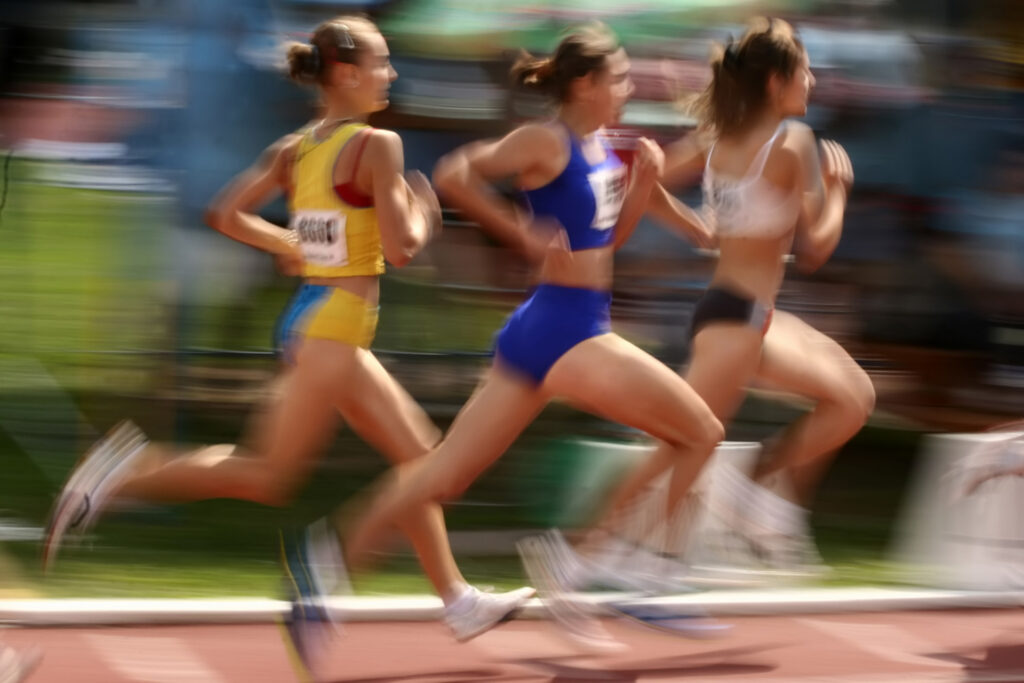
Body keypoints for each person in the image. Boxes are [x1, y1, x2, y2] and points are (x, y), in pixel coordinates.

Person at [41, 14, 533, 674]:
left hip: (322, 321)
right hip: (332, 329)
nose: (391, 73)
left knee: (420, 457)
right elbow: (401, 248)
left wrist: (290, 243)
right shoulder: (376, 146)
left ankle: (457, 598)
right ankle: (121, 473)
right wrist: (425, 216)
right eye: (382, 63)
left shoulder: (296, 148)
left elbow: (225, 213)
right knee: (269, 474)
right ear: (347, 74)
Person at [330, 23, 725, 651]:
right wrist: (518, 231)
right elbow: (457, 172)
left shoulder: (602, 148)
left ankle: (324, 567)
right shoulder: (547, 139)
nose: (629, 88)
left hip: (555, 329)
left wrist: (650, 193)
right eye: (620, 78)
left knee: (442, 477)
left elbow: (605, 245)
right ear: (585, 84)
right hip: (565, 330)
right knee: (701, 432)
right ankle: (598, 565)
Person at [570, 16, 874, 581]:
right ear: (775, 82)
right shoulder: (794, 142)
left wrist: (694, 226)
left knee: (853, 397)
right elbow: (816, 247)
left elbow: (645, 177)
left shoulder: (716, 136)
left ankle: (755, 487)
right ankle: (585, 554)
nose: (812, 81)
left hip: (744, 318)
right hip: (738, 323)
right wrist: (837, 191)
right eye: (805, 71)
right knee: (680, 444)